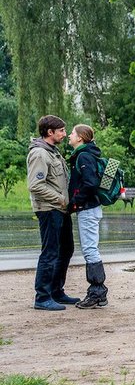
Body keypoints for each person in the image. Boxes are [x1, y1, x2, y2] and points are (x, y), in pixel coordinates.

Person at [28, 115, 75, 311]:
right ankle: (42, 297)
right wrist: (61, 199)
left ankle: (56, 291)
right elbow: (35, 185)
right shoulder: (40, 154)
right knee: (50, 253)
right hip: (49, 209)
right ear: (50, 132)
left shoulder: (53, 152)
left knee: (66, 249)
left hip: (60, 210)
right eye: (62, 131)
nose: (65, 134)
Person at [67, 124, 108, 309]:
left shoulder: (84, 156)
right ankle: (98, 292)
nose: (69, 135)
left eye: (73, 133)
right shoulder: (87, 154)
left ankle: (97, 291)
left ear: (81, 137)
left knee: (90, 250)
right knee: (90, 248)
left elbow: (90, 183)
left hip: (88, 208)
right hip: (91, 208)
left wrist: (75, 201)